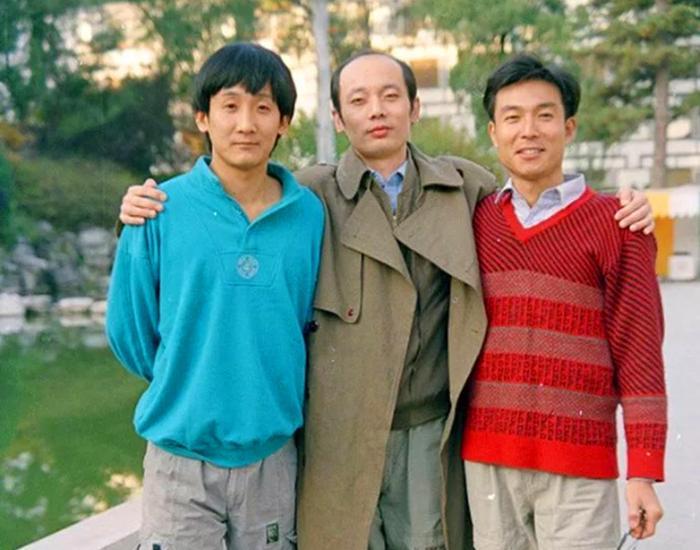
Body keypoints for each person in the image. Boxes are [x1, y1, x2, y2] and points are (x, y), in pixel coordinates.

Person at [118, 50, 654, 550]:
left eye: (391, 96)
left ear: (414, 107)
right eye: (358, 100)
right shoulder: (310, 198)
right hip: (334, 438)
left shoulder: (465, 189)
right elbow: (145, 327)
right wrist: (138, 215)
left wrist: (622, 210)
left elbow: (537, 205)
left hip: (427, 434)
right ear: (337, 118)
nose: (376, 111)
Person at [105, 42, 324, 549]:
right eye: (230, 106)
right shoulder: (159, 208)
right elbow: (129, 332)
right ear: (203, 117)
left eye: (262, 107)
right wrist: (190, 378)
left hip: (272, 457)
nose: (246, 123)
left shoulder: (309, 215)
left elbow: (305, 319)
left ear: (283, 122)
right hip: (181, 459)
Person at [462, 54, 666, 550]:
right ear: (493, 132)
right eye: (513, 117)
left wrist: (643, 471)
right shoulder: (473, 219)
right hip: (488, 464)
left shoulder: (618, 224)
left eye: (545, 115)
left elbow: (640, 355)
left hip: (580, 468)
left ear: (569, 127)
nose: (528, 131)